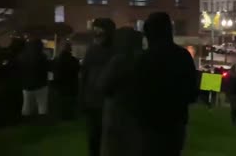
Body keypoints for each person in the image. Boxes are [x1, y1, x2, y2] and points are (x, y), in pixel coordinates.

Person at [132, 12, 198, 156]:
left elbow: (134, 93)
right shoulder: (182, 56)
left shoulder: (143, 59)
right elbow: (192, 92)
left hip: (149, 124)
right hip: (175, 123)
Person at [99, 27, 143, 156]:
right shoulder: (143, 60)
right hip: (137, 114)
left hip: (116, 112)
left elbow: (102, 85)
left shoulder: (117, 61)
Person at [80, 18, 116, 156]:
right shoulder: (92, 50)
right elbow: (84, 75)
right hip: (94, 102)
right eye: (95, 30)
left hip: (109, 101)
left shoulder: (115, 50)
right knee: (95, 138)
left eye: (99, 29)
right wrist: (82, 99)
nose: (96, 33)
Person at [18, 39, 50, 118]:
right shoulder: (42, 57)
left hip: (27, 85)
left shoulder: (22, 57)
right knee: (42, 105)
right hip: (41, 85)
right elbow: (47, 68)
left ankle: (26, 121)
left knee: (27, 105)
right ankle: (41, 121)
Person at [52, 42, 80, 120]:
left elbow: (54, 71)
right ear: (70, 49)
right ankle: (69, 117)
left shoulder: (56, 59)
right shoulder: (74, 60)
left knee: (61, 103)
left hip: (60, 85)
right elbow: (77, 70)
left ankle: (61, 117)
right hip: (71, 85)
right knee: (70, 103)